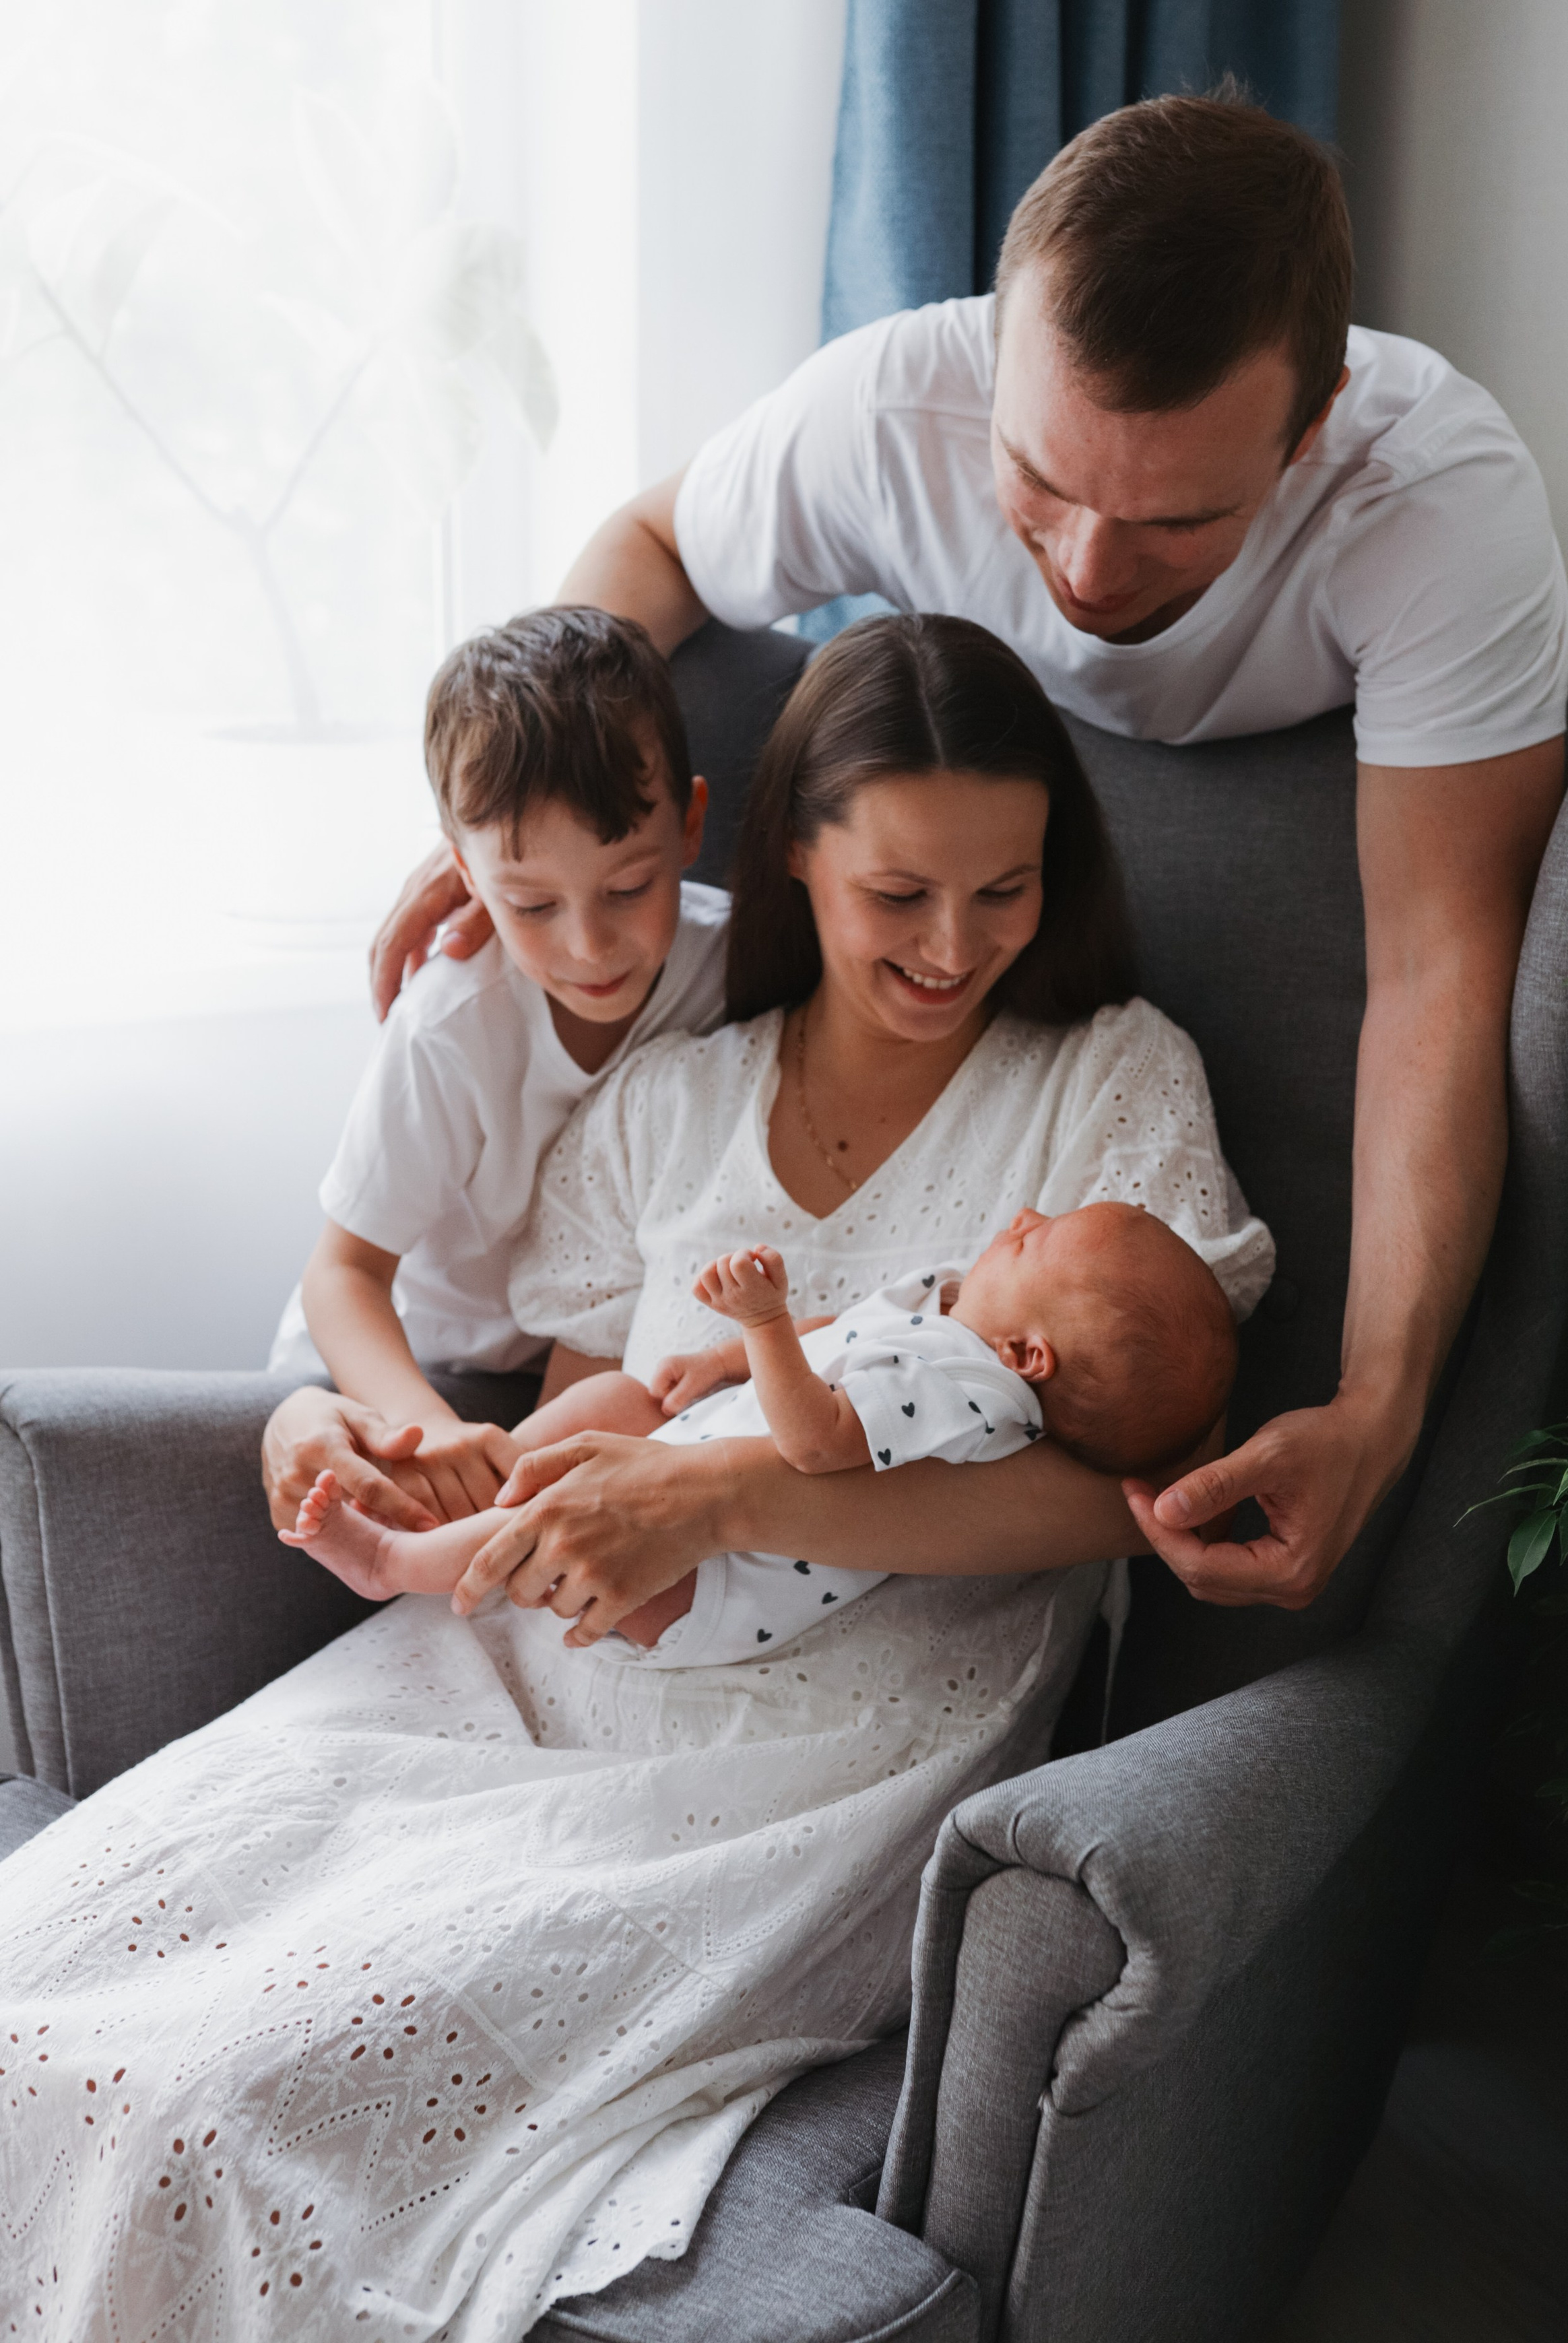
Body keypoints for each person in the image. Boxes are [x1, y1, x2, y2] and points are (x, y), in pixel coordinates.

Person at [7, 615, 1268, 2336]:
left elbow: (1122, 1495)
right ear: (787, 858)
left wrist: (733, 1497)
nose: (955, 945)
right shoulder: (669, 1107)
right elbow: (578, 1421)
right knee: (40, 1992)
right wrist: (368, 1448)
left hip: (823, 1751)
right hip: (514, 1656)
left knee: (224, 2105)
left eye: (1006, 888)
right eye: (899, 895)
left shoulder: (1106, 1087)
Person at [364, 90, 1568, 1613]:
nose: (1084, 569)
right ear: (990, 351)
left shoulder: (1437, 510)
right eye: (1043, 485)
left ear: (1313, 423)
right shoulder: (882, 412)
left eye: (1175, 521)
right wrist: (513, 828)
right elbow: (649, 549)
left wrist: (1375, 1408)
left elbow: (1438, 967)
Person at [277, 1203, 1237, 1670]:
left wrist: (762, 1328)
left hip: (722, 1579)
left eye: (1037, 1241)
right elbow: (851, 1336)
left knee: (564, 1503)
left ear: (1030, 1356)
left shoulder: (968, 1390)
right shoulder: (952, 1325)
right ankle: (485, 1491)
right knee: (614, 1400)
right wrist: (728, 1368)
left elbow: (820, 1440)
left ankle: (393, 1562)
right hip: (698, 1471)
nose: (1024, 1217)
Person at [267, 603, 731, 1524]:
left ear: (689, 825)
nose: (591, 945)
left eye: (629, 887)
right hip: (409, 1371)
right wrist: (421, 1426)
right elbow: (343, 1276)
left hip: (592, 1376)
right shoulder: (454, 1025)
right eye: (531, 906)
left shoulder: (735, 963)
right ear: (463, 880)